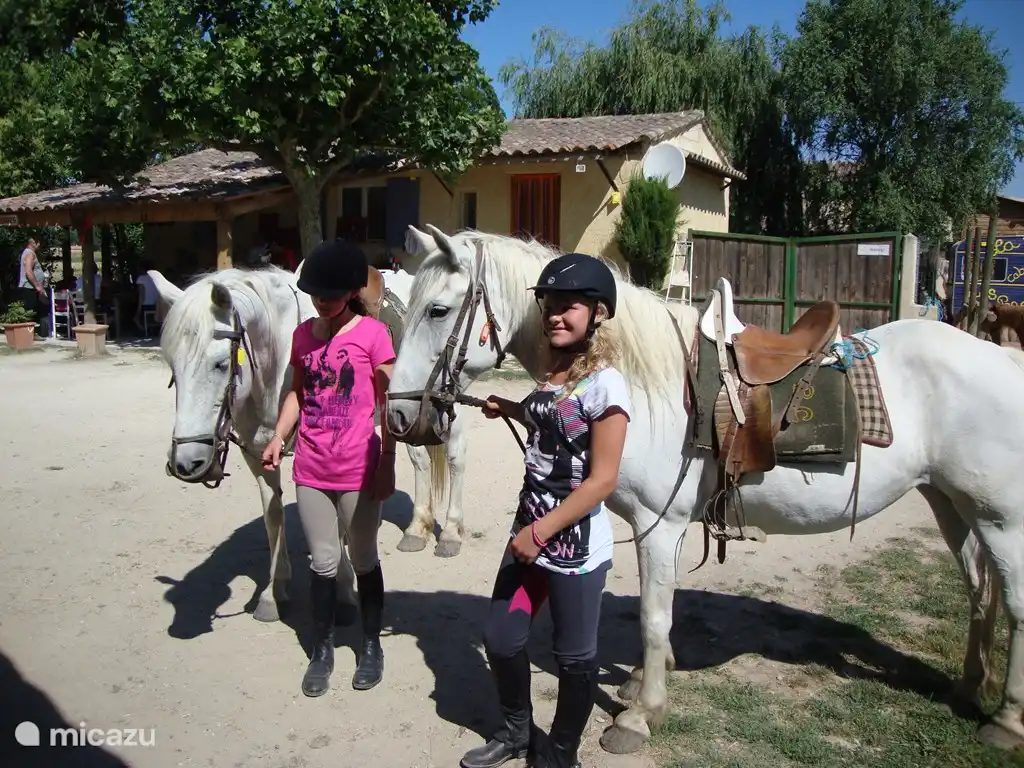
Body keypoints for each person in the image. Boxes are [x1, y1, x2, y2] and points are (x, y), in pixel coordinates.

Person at [461, 253, 631, 768]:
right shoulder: (553, 371)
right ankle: (516, 734)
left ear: (598, 313)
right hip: (530, 530)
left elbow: (603, 480)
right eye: (550, 306)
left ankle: (559, 755)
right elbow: (553, 423)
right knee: (500, 637)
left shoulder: (606, 386)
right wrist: (510, 408)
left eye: (569, 306)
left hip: (572, 549)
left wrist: (540, 533)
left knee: (573, 658)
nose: (556, 315)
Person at [261, 240, 397, 697]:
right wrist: (280, 436)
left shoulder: (374, 336)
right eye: (317, 293)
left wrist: (389, 461)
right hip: (313, 468)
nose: (323, 301)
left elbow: (389, 401)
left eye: (332, 293)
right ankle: (322, 651)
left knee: (362, 558)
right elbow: (297, 394)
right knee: (322, 563)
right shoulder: (303, 336)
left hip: (360, 467)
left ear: (352, 292)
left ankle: (372, 645)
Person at [16, 238, 49, 337]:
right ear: (33, 243)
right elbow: (28, 272)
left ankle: (34, 333)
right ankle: (29, 335)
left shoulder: (28, 253)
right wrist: (37, 285)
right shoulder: (30, 254)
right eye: (39, 242)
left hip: (31, 287)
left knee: (34, 311)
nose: (40, 244)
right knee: (29, 312)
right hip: (29, 287)